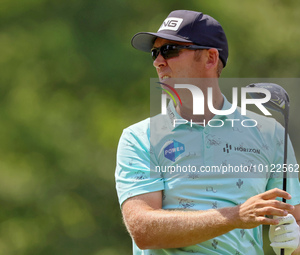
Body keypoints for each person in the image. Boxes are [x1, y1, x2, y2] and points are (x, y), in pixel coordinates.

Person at [115, 10, 300, 255]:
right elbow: (144, 230)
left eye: (170, 50)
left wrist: (294, 242)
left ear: (211, 58)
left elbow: (293, 220)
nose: (158, 61)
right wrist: (235, 216)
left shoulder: (270, 134)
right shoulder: (139, 137)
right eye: (155, 52)